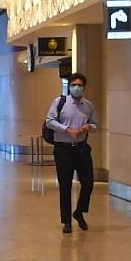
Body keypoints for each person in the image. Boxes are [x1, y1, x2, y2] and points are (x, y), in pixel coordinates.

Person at [46, 72, 98, 234]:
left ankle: (79, 211)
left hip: (82, 149)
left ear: (84, 87)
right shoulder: (59, 102)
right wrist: (66, 129)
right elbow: (49, 121)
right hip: (63, 149)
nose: (77, 88)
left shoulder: (88, 105)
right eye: (74, 85)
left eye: (80, 85)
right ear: (69, 86)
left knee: (88, 182)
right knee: (65, 185)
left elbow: (95, 123)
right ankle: (67, 221)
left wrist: (89, 127)